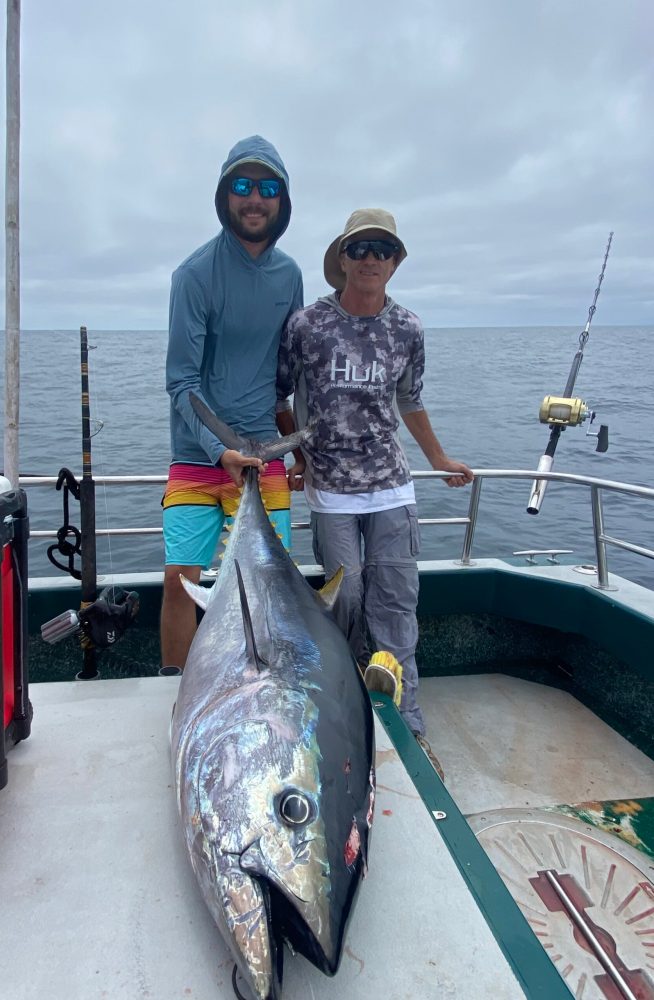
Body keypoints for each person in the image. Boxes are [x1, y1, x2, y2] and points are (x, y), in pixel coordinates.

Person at [277, 208, 473, 745]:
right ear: (342, 259)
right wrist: (298, 456)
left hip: (391, 484)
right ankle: (338, 709)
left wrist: (438, 458)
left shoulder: (408, 328)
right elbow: (278, 396)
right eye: (359, 248)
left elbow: (409, 399)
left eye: (382, 249)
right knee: (345, 599)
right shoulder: (307, 325)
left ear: (396, 262)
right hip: (331, 490)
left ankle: (406, 724)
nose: (370, 258)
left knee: (395, 601)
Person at [161, 136, 303, 673]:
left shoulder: (290, 275)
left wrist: (299, 444)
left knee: (270, 588)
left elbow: (284, 375)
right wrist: (219, 448)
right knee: (181, 582)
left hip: (265, 456)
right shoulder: (193, 276)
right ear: (225, 196)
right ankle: (176, 691)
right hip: (199, 458)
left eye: (268, 188)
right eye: (242, 186)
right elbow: (181, 382)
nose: (254, 199)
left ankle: (263, 689)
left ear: (281, 202)